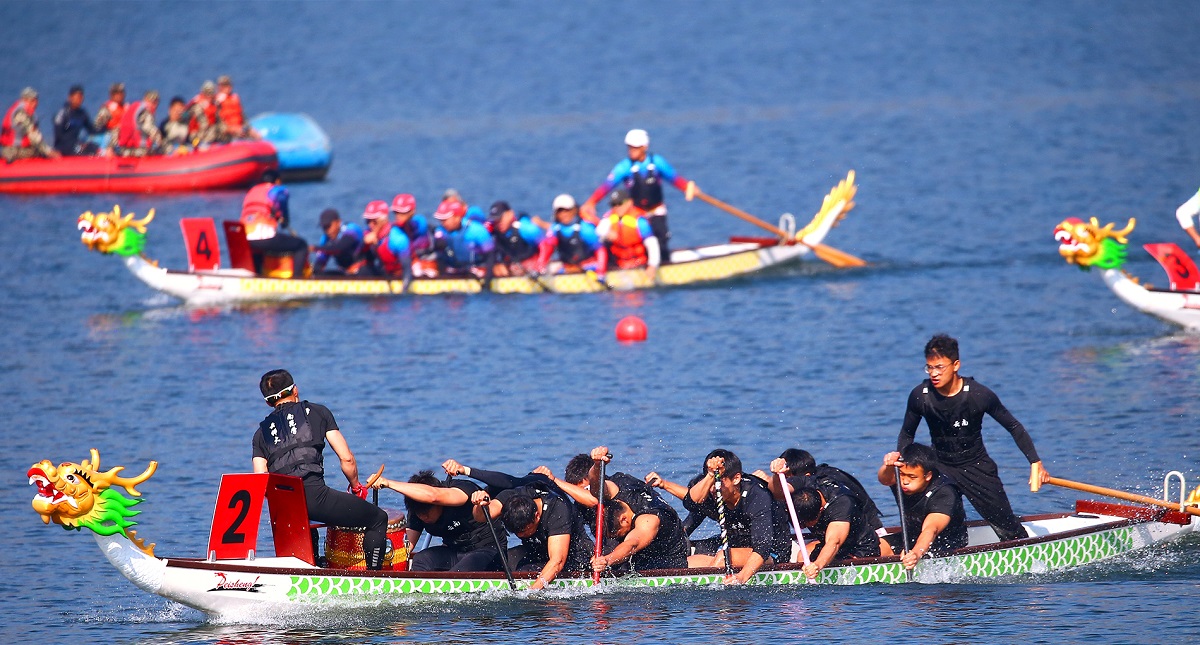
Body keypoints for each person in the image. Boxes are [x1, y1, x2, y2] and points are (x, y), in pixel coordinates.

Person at [897, 333, 1049, 543]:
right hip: (940, 467)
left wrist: (1035, 461)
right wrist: (903, 462)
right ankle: (939, 550)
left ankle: (1022, 548)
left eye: (939, 367)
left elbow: (1013, 426)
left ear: (956, 364)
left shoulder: (978, 395)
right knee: (933, 518)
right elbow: (907, 434)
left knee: (1005, 524)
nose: (934, 373)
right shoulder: (920, 395)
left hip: (975, 466)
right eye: (929, 367)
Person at [251, 369, 389, 570]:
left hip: (284, 509)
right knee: (378, 518)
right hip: (315, 497)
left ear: (268, 402)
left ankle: (312, 569)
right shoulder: (317, 412)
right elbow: (346, 458)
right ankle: (376, 581)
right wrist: (356, 486)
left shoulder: (260, 434)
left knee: (305, 519)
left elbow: (260, 481)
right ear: (295, 390)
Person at [580, 129, 696, 263]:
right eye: (629, 147)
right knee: (622, 239)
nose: (631, 150)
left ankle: (662, 265)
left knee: (660, 240)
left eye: (635, 147)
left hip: (656, 210)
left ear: (644, 147)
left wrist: (687, 187)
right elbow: (607, 186)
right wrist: (592, 202)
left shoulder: (657, 162)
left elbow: (674, 179)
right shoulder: (624, 167)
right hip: (635, 214)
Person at [683, 449, 789, 584]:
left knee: (722, 557)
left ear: (736, 479)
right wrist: (710, 475)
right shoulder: (712, 487)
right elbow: (690, 504)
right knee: (687, 564)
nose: (713, 489)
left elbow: (762, 547)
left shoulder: (756, 495)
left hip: (771, 553)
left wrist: (741, 577)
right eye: (712, 482)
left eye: (719, 481)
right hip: (734, 549)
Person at [371, 470, 504, 572]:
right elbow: (406, 548)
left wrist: (388, 483)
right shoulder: (416, 507)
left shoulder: (460, 491)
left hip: (488, 551)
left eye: (427, 511)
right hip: (454, 552)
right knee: (420, 559)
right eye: (419, 513)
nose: (423, 516)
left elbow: (433, 496)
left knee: (458, 573)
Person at [767, 448, 892, 556]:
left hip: (868, 532)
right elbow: (780, 493)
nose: (786, 482)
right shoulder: (804, 487)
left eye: (787, 477)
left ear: (807, 475)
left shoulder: (830, 483)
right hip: (833, 533)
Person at [471, 482, 594, 590]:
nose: (520, 535)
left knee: (524, 572)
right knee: (494, 563)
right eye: (516, 533)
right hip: (537, 551)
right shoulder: (511, 497)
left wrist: (531, 593)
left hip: (574, 559)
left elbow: (557, 561)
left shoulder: (557, 509)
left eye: (524, 531)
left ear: (536, 516)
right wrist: (479, 504)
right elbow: (481, 516)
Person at [586, 447, 690, 574]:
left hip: (669, 556)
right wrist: (597, 466)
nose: (617, 538)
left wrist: (607, 560)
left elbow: (632, 544)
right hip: (645, 548)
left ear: (624, 519)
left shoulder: (648, 519)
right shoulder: (617, 488)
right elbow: (596, 488)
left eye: (618, 534)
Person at [877, 443, 968, 569]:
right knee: (875, 547)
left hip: (945, 544)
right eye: (902, 474)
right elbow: (885, 479)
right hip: (911, 536)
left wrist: (915, 553)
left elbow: (931, 529)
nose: (905, 481)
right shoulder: (901, 478)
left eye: (912, 477)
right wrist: (888, 466)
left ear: (928, 476)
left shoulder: (945, 492)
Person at [791, 477, 882, 580]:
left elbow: (834, 542)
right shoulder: (806, 484)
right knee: (803, 557)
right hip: (828, 546)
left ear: (820, 510)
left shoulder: (842, 503)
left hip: (860, 549)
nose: (802, 526)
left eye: (806, 523)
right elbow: (778, 491)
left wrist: (817, 565)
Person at [241, 171, 307, 275]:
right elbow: (284, 220)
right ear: (277, 181)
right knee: (301, 245)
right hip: (265, 237)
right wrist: (283, 221)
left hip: (244, 239)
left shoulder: (252, 191)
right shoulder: (278, 190)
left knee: (258, 248)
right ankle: (297, 280)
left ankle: (257, 275)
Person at [595, 186, 660, 281]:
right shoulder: (609, 217)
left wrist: (652, 265)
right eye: (613, 204)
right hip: (618, 263)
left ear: (629, 202)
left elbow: (652, 244)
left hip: (639, 263)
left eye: (620, 203)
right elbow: (599, 230)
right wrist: (607, 233)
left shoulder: (639, 221)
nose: (616, 207)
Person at [534, 194, 607, 276]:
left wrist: (601, 272)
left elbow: (600, 250)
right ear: (556, 214)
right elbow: (547, 247)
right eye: (560, 211)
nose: (564, 214)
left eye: (567, 210)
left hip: (589, 266)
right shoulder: (555, 229)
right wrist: (540, 267)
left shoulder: (585, 228)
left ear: (574, 210)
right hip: (568, 267)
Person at [431, 199, 495, 277]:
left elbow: (490, 255)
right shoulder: (441, 230)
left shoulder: (477, 230)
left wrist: (487, 279)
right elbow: (438, 245)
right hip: (453, 269)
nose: (442, 223)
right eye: (441, 220)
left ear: (457, 218)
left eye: (445, 220)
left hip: (477, 268)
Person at [488, 200, 548, 277]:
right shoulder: (494, 231)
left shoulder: (526, 228)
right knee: (498, 269)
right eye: (495, 220)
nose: (498, 223)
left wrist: (540, 265)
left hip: (533, 266)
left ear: (510, 214)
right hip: (514, 267)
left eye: (500, 219)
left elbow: (546, 245)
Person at [2, 87, 60, 162]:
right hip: (14, 151)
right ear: (24, 100)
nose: (36, 103)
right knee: (39, 152)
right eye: (32, 100)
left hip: (7, 149)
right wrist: (49, 152)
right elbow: (34, 136)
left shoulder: (15, 109)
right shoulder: (22, 113)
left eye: (36, 100)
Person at [362, 199, 411, 281]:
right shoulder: (368, 235)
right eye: (368, 221)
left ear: (383, 221)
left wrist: (403, 292)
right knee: (363, 270)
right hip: (385, 272)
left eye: (374, 221)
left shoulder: (397, 238)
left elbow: (407, 269)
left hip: (403, 273)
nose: (370, 225)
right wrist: (364, 243)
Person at [311, 208, 368, 274]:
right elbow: (320, 263)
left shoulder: (351, 228)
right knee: (320, 275)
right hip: (345, 273)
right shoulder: (325, 239)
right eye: (324, 227)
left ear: (338, 222)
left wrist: (315, 248)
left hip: (364, 270)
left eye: (328, 226)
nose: (327, 231)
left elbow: (341, 247)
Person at [52, 85, 98, 156]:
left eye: (81, 97)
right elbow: (59, 135)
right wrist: (77, 144)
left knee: (93, 147)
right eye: (77, 97)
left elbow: (91, 130)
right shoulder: (62, 114)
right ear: (70, 98)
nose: (79, 100)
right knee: (81, 152)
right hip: (63, 146)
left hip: (76, 144)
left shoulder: (82, 113)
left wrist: (104, 129)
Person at [116, 90, 162, 157]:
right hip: (138, 151)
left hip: (123, 149)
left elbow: (118, 128)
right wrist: (160, 141)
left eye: (156, 101)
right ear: (146, 99)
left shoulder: (134, 107)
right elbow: (149, 128)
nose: (155, 104)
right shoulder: (146, 112)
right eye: (153, 101)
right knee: (163, 149)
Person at [214, 75, 251, 141]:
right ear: (220, 87)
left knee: (255, 134)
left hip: (239, 127)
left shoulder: (235, 98)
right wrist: (229, 129)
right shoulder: (217, 100)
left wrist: (246, 127)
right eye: (225, 85)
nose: (228, 87)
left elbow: (242, 115)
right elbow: (217, 120)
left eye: (229, 85)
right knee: (239, 133)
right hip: (227, 129)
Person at [187, 81, 218, 146]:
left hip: (210, 134)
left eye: (211, 92)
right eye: (207, 92)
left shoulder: (215, 104)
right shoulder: (197, 106)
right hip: (196, 136)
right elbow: (204, 124)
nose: (209, 95)